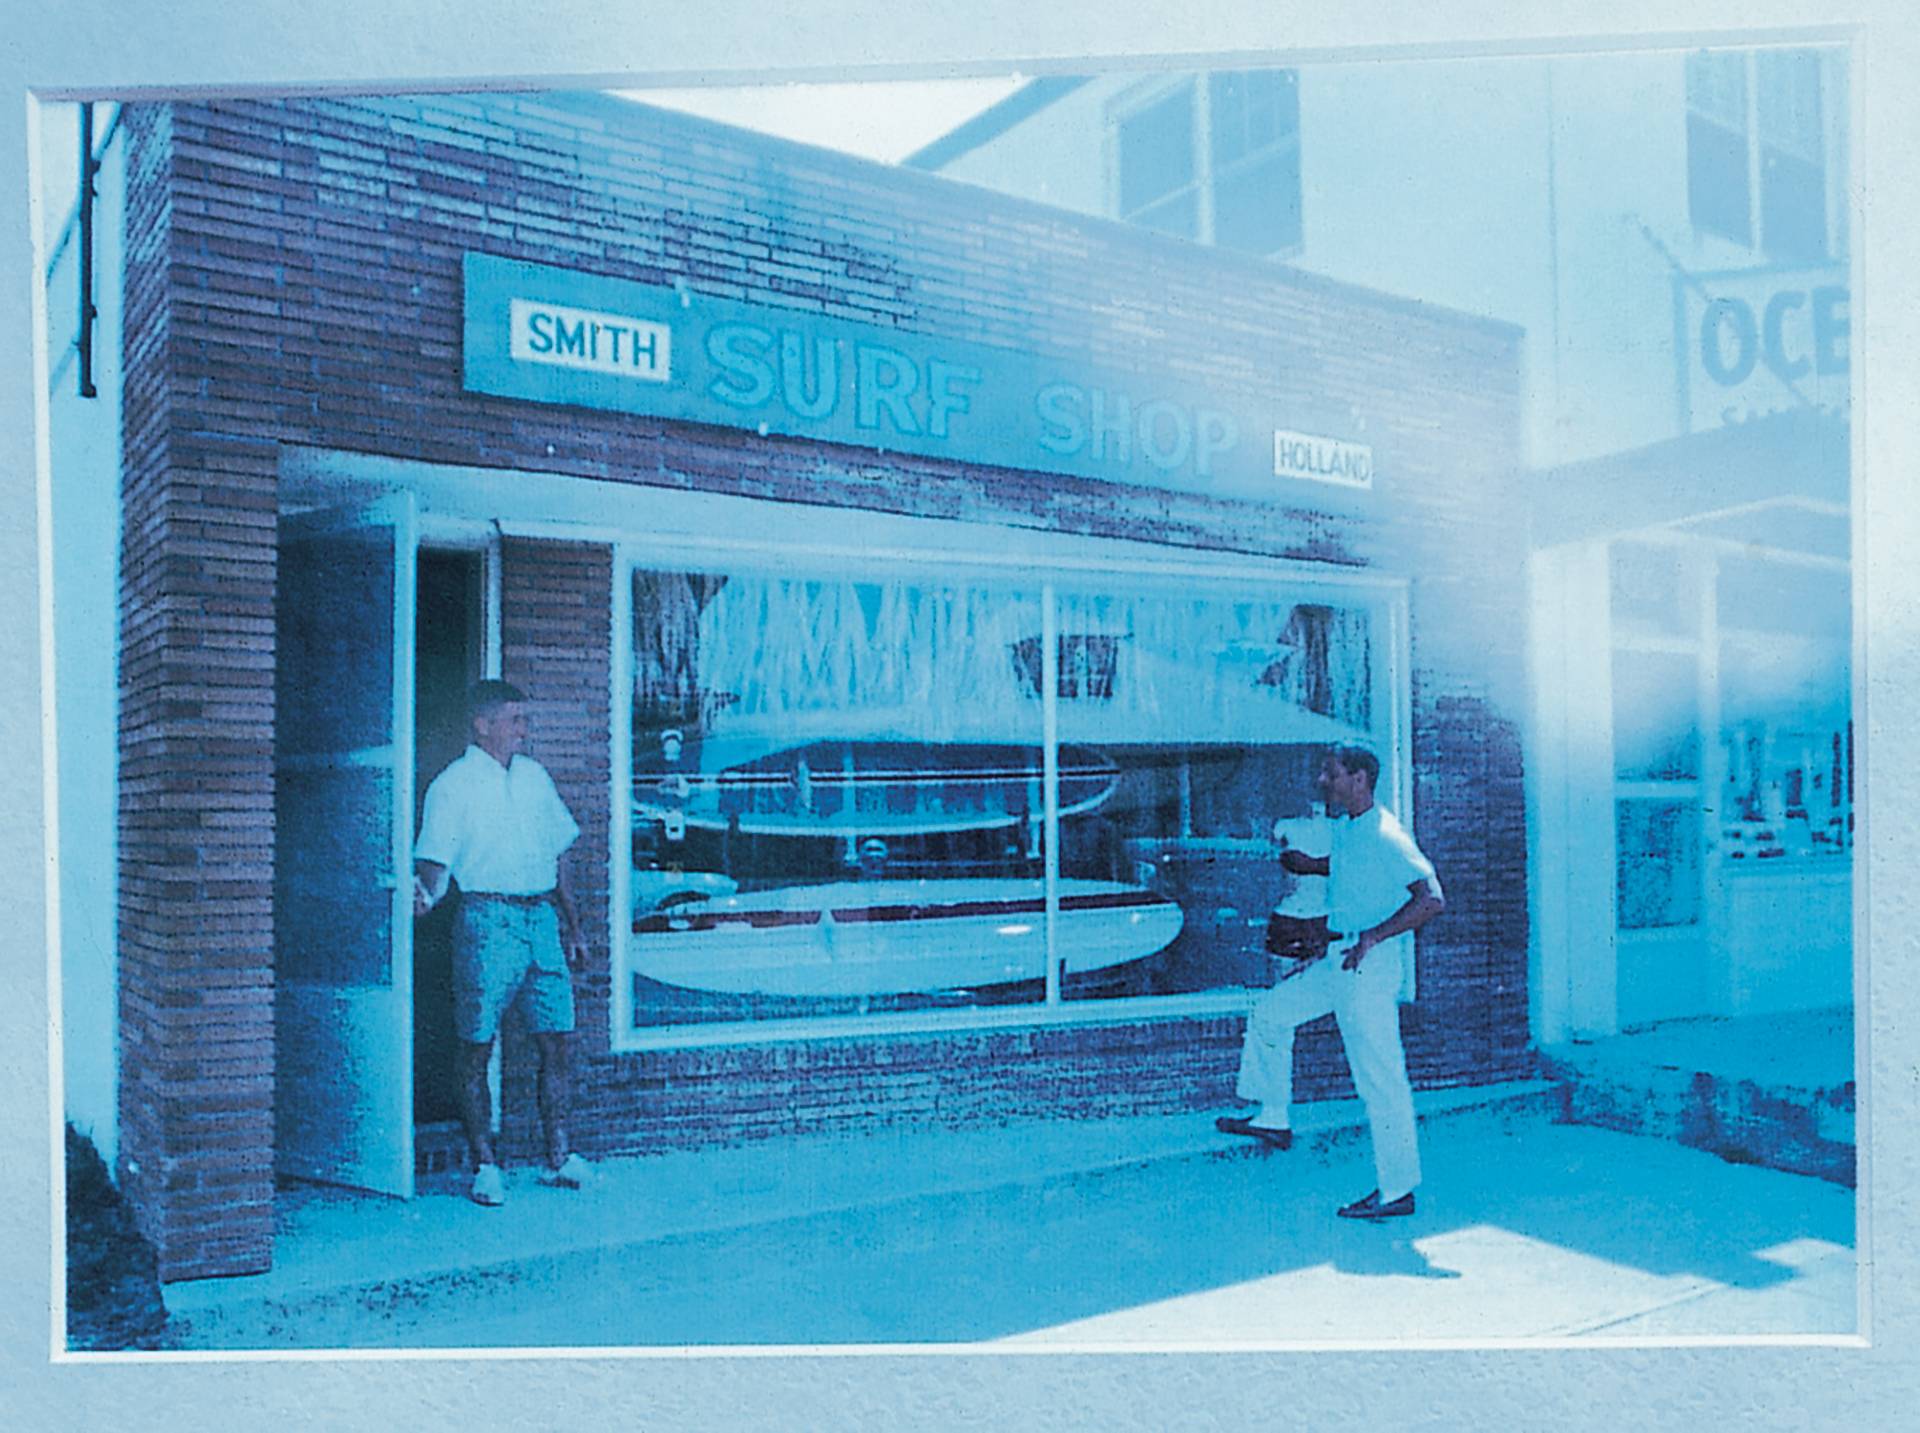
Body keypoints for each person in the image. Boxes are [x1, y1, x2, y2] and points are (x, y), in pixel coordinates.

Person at [1215, 745, 1445, 1220]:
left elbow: (1431, 899)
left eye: (1332, 773)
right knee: (1271, 1014)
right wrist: (1305, 866)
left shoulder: (1388, 834)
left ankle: (1396, 1192)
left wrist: (1373, 937)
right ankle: (1273, 1117)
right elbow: (1346, 873)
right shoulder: (1349, 829)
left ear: (1359, 779)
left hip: (1369, 964)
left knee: (1380, 1079)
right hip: (1337, 957)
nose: (1324, 780)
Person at [413, 680, 591, 1207]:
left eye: (524, 719)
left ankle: (559, 1157)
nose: (523, 729)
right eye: (514, 719)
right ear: (482, 723)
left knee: (556, 1040)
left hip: (541, 921)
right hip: (487, 920)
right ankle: (485, 1165)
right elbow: (432, 864)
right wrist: (426, 896)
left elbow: (559, 855)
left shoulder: (534, 777)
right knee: (476, 1045)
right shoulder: (453, 785)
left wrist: (574, 928)